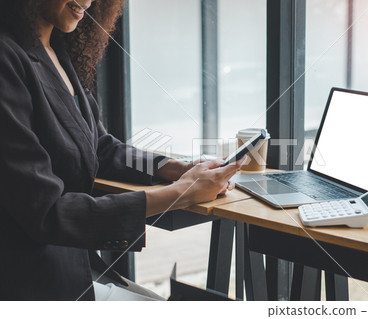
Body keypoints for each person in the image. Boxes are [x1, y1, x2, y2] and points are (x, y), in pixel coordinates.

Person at [0, 0, 244, 301]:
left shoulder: (56, 51)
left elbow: (98, 146)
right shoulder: (7, 59)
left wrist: (176, 168)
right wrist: (183, 192)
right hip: (33, 282)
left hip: (74, 267)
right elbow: (47, 213)